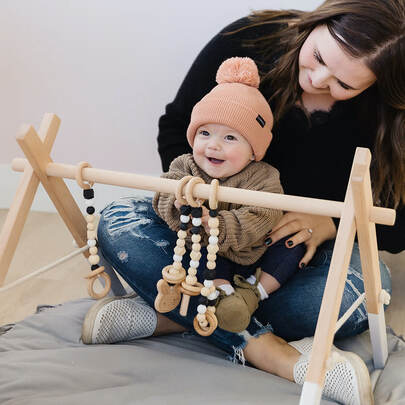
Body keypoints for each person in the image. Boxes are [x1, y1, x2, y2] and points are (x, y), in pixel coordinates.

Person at [81, 1, 405, 404]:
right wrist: (203, 195)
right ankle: (270, 353)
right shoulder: (248, 41)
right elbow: (174, 129)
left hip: (292, 257)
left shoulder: (390, 115)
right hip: (209, 233)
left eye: (344, 84)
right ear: (317, 22)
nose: (318, 79)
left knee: (360, 290)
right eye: (319, 57)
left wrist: (335, 223)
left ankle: (173, 316)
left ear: (376, 85)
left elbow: (401, 216)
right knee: (115, 221)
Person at [152, 56, 305, 333]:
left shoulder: (264, 177)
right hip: (211, 253)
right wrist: (176, 201)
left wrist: (220, 224)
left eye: (230, 138)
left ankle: (254, 294)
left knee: (294, 246)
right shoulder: (184, 166)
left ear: (254, 149)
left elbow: (264, 214)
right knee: (193, 254)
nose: (213, 146)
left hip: (256, 252)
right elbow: (162, 194)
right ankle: (222, 295)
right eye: (205, 133)